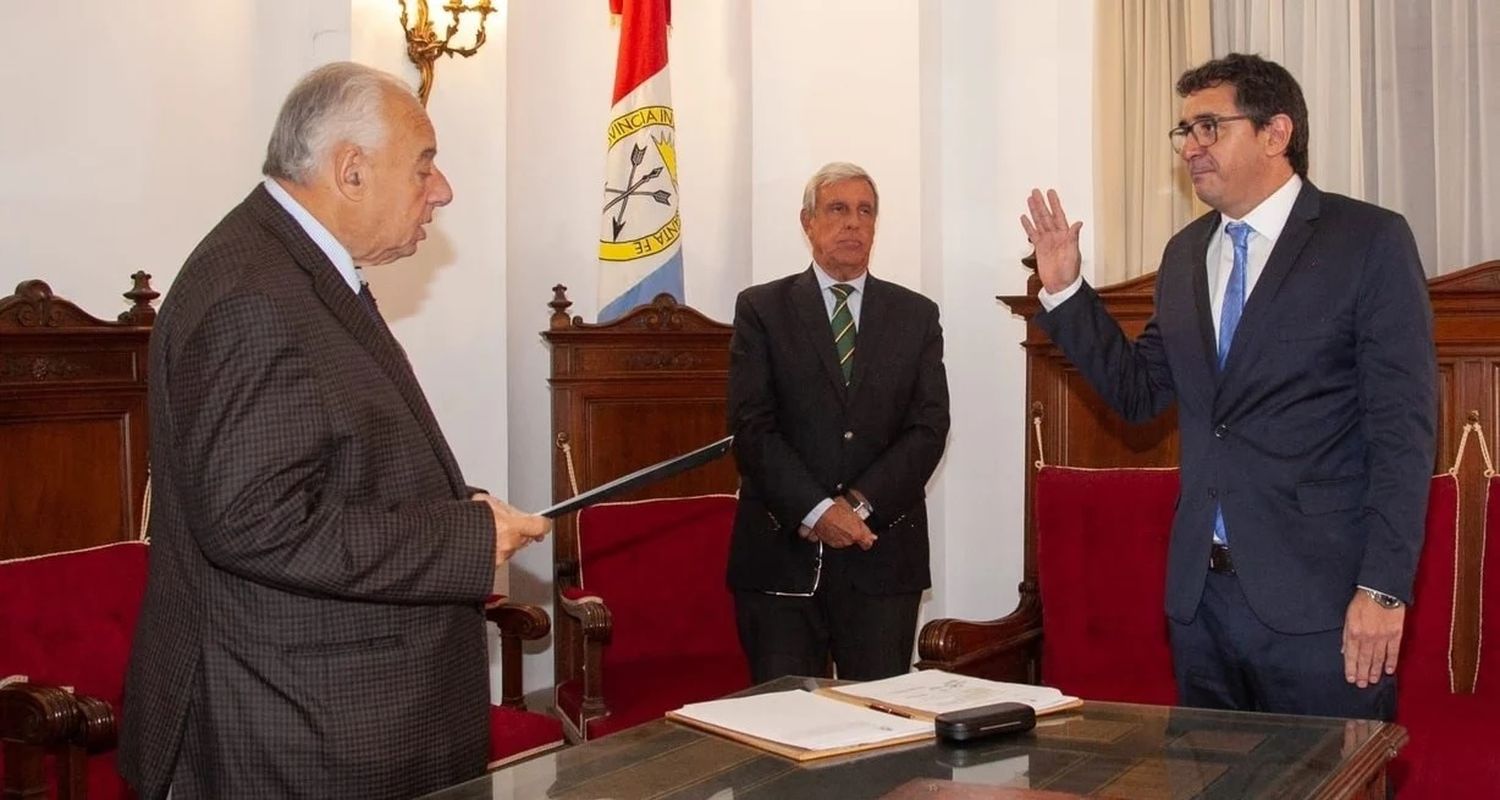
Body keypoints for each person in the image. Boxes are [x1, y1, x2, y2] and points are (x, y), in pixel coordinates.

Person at [118, 62, 550, 799]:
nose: (441, 189)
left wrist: (464, 511)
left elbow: (333, 467)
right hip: (297, 728)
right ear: (351, 171)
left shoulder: (292, 269)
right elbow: (256, 524)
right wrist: (464, 541)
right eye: (424, 165)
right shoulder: (253, 293)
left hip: (340, 709)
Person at [1020, 53, 1436, 719]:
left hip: (1321, 604)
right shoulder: (1186, 254)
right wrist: (1066, 289)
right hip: (1200, 605)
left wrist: (1384, 589)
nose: (1191, 148)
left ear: (1277, 132)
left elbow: (1403, 433)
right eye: (1184, 132)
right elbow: (1138, 393)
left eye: (1210, 127)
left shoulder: (1367, 241)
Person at [726, 161, 950, 683]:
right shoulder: (762, 309)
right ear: (808, 222)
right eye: (837, 209)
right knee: (785, 730)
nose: (853, 223)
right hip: (781, 558)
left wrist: (857, 505)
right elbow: (752, 427)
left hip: (883, 559)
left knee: (879, 732)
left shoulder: (916, 315)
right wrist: (817, 509)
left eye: (864, 211)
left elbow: (929, 427)